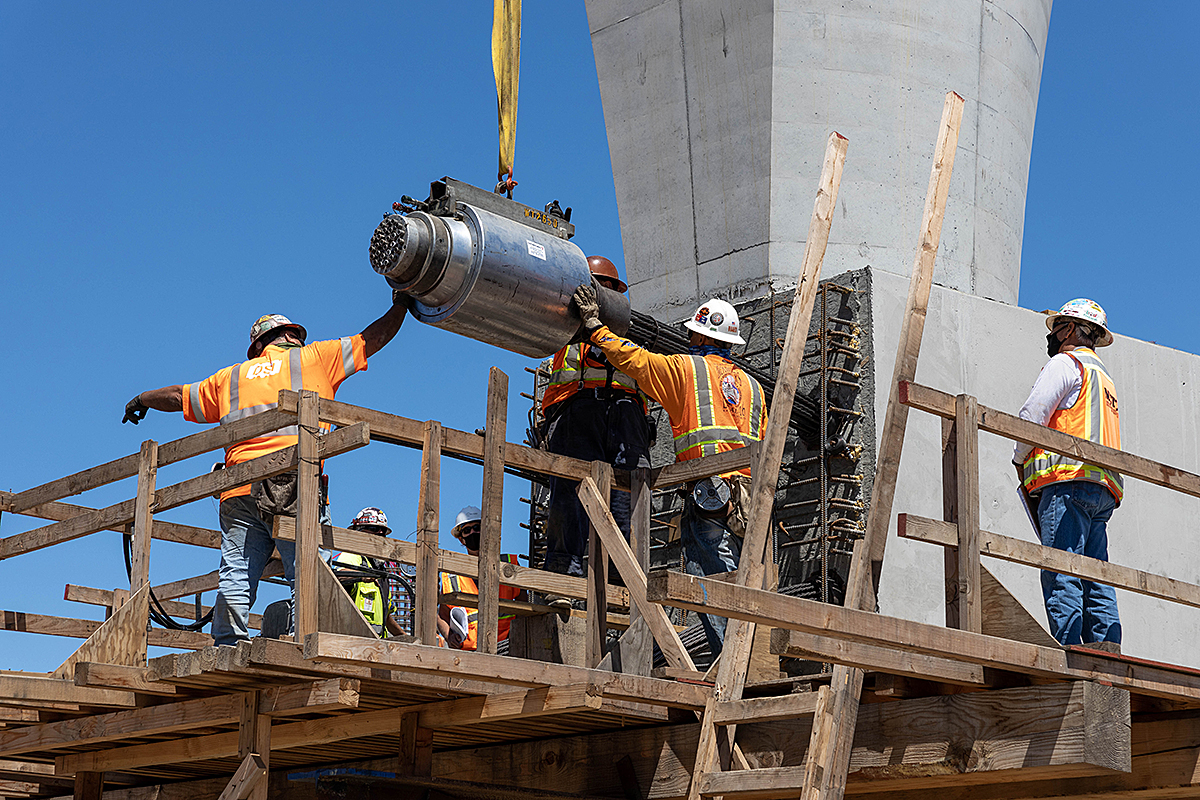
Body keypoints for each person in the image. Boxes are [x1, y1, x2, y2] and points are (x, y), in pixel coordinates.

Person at [121, 296, 408, 646]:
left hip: (239, 487)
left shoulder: (231, 378)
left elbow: (179, 396)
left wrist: (141, 399)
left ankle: (226, 645)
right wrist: (402, 304)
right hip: (295, 481)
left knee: (236, 574)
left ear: (258, 345)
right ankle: (306, 641)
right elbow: (372, 339)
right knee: (304, 569)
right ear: (292, 336)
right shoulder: (315, 358)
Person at [571, 285, 766, 656]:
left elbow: (635, 360)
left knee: (711, 584)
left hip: (711, 497)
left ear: (697, 334)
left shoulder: (685, 370)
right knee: (747, 585)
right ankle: (752, 662)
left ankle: (733, 667)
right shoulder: (753, 388)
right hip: (748, 502)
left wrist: (595, 326)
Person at [1013, 298, 1122, 651]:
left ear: (1072, 329)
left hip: (1067, 481)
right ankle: (1106, 648)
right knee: (1096, 573)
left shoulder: (1066, 363)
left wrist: (1019, 459)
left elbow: (1034, 413)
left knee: (1062, 568)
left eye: (1059, 326)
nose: (1054, 335)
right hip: (1102, 489)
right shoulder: (1104, 379)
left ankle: (1069, 650)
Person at [541, 256, 651, 605]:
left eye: (605, 286)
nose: (599, 292)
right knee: (568, 496)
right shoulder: (561, 316)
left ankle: (623, 587)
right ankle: (562, 580)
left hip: (625, 414)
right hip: (577, 409)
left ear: (618, 292)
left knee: (627, 501)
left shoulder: (635, 327)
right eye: (593, 284)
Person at [438, 506, 523, 650]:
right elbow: (441, 616)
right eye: (467, 530)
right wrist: (448, 636)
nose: (473, 532)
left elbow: (523, 605)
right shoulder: (453, 575)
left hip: (507, 647)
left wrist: (520, 636)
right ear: (461, 539)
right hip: (469, 652)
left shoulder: (509, 565)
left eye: (477, 527)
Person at [330, 507, 406, 638]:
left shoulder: (380, 570)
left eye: (383, 533)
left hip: (376, 646)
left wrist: (404, 636)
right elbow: (336, 577)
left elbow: (385, 617)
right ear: (358, 531)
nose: (379, 534)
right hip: (353, 642)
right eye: (373, 529)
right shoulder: (352, 556)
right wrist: (361, 576)